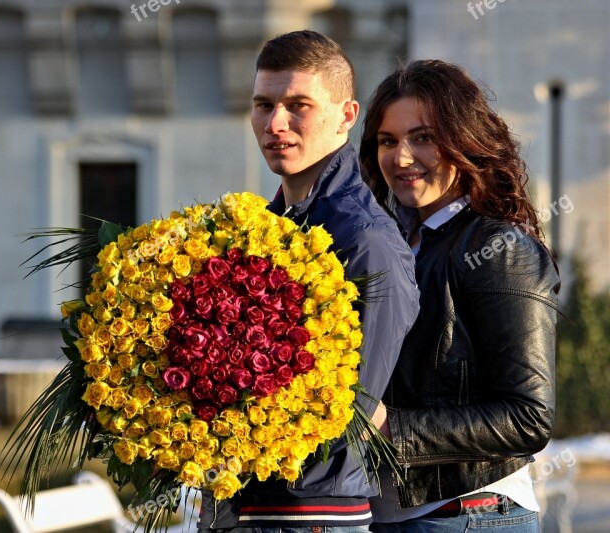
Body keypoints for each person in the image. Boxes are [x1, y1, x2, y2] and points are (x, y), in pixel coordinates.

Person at [197, 30, 420, 533]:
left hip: (311, 514)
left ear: (347, 115)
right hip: (244, 509)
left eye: (298, 105)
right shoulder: (261, 229)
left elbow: (351, 409)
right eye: (263, 104)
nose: (276, 124)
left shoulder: (367, 241)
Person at [359, 59, 560, 532]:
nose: (402, 157)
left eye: (423, 137)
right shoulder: (392, 245)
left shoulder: (499, 248)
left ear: (464, 140)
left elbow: (529, 417)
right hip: (390, 516)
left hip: (468, 517)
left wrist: (392, 429)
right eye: (388, 141)